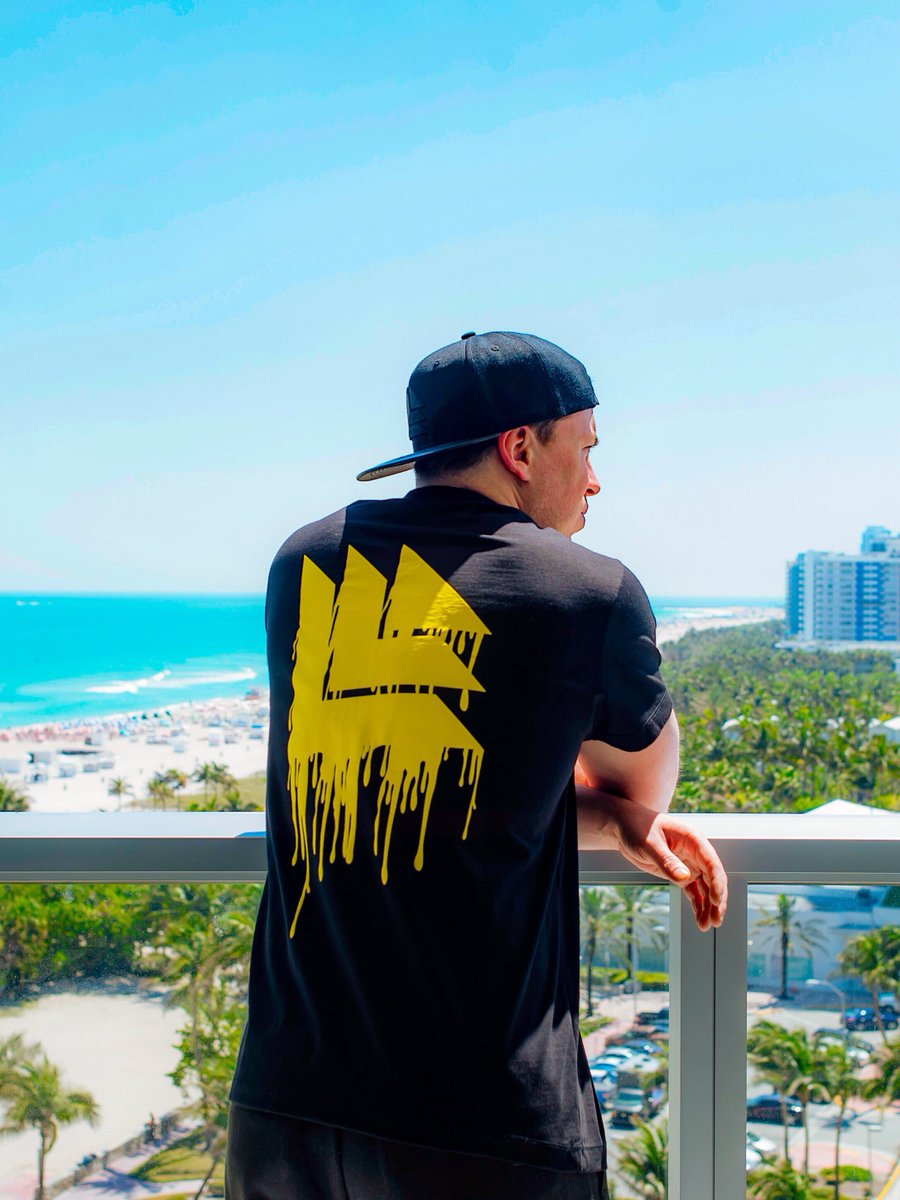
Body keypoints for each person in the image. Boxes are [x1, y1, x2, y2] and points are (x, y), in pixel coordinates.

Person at [226, 330, 727, 1200]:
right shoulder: (587, 592)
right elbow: (640, 789)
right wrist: (614, 818)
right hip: (483, 1126)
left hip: (286, 1105)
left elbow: (387, 775)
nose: (596, 480)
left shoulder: (305, 561)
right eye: (586, 448)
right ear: (520, 448)